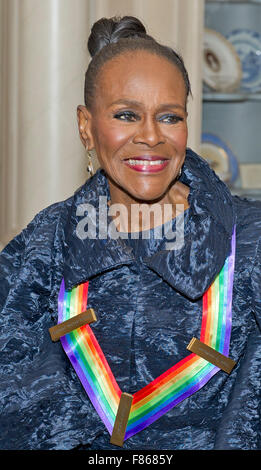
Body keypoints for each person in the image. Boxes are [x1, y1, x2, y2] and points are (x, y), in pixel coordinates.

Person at [0, 15, 261, 451]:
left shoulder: (250, 241)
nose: (151, 137)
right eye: (126, 115)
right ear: (86, 126)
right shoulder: (46, 241)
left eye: (170, 117)